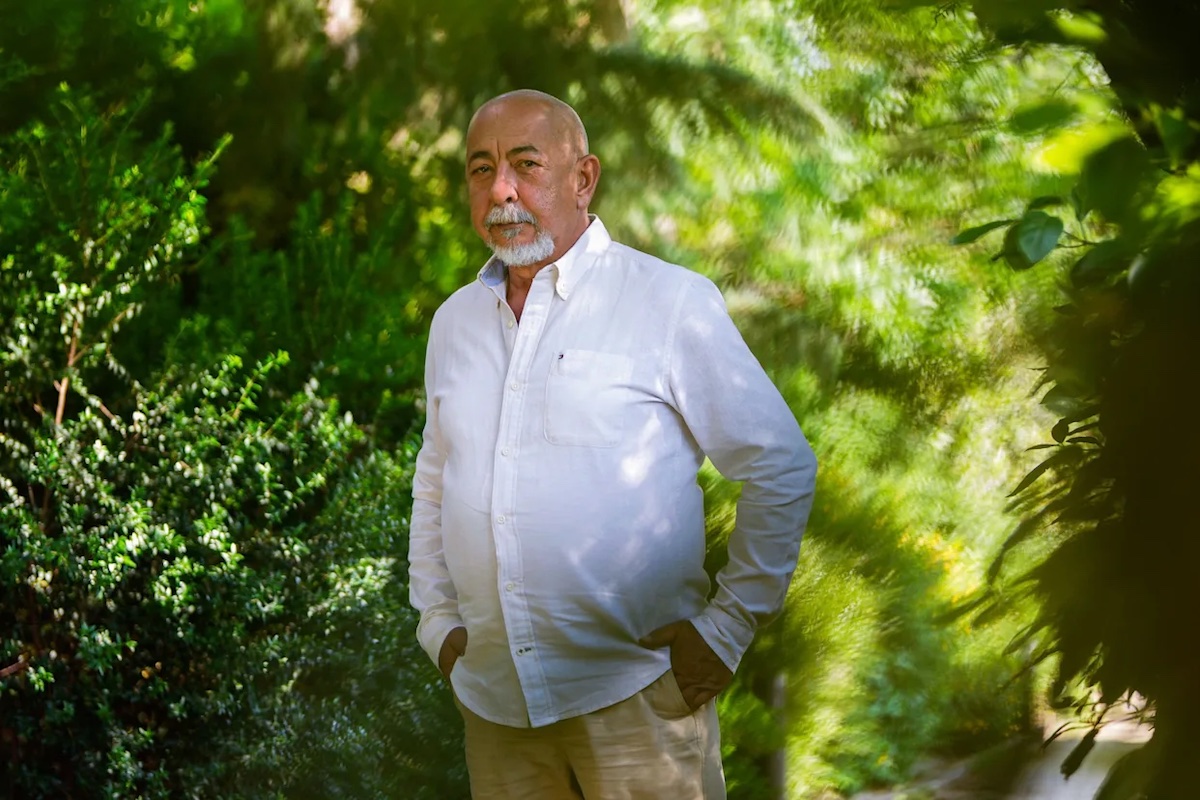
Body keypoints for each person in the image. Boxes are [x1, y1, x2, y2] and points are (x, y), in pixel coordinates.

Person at [408, 89, 817, 799]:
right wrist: (437, 623)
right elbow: (435, 479)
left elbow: (779, 464)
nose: (501, 189)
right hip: (498, 712)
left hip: (640, 705)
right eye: (481, 169)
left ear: (583, 178)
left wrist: (726, 631)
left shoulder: (669, 301)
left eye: (525, 164)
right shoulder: (454, 323)